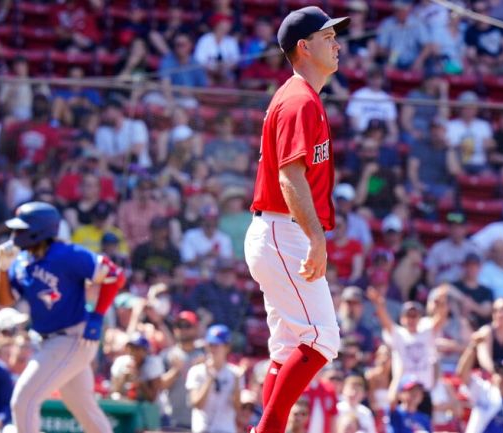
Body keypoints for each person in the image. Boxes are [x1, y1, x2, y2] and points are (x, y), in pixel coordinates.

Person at [244, 7, 349, 433]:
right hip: (282, 229)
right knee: (323, 340)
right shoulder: (298, 99)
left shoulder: (304, 97)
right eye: (327, 37)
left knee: (288, 346)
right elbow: (290, 177)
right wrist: (315, 239)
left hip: (276, 229)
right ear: (303, 47)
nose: (337, 43)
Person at [0, 201, 126, 433]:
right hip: (49, 341)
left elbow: (115, 275)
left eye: (21, 230)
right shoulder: (22, 261)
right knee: (83, 408)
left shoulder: (67, 254)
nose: (15, 235)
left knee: (23, 402)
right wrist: (2, 269)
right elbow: (6, 300)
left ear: (40, 231)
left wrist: (97, 315)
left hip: (73, 337)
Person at [367, 287, 437, 392]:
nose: (411, 319)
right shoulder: (398, 334)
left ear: (419, 318)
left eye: (414, 316)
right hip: (404, 388)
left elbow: (440, 318)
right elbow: (385, 321)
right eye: (408, 316)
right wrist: (379, 304)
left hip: (425, 389)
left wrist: (441, 301)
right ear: (402, 318)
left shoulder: (426, 333)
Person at [186, 324, 242, 433]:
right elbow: (197, 404)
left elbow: (237, 408)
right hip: (202, 429)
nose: (212, 349)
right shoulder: (196, 370)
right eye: (210, 344)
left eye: (217, 345)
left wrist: (237, 384)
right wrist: (210, 378)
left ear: (227, 347)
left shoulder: (235, 373)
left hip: (226, 430)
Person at [160, 311, 206, 430]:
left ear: (196, 329)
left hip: (198, 422)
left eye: (187, 326)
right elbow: (159, 386)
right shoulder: (167, 355)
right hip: (171, 420)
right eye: (179, 326)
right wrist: (176, 370)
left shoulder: (205, 356)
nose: (182, 329)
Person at [110, 333, 163, 431]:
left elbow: (152, 398)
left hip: (148, 412)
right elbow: (114, 391)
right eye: (131, 348)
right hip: (124, 412)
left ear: (145, 351)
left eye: (137, 349)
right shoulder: (121, 362)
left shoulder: (153, 364)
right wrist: (124, 377)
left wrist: (139, 379)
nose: (133, 352)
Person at [425, 212, 479, 286]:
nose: (456, 230)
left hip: (465, 289)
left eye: (459, 227)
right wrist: (434, 288)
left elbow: (477, 274)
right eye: (453, 227)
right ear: (448, 229)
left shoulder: (472, 248)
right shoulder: (438, 248)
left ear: (466, 229)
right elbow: (430, 275)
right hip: (443, 288)